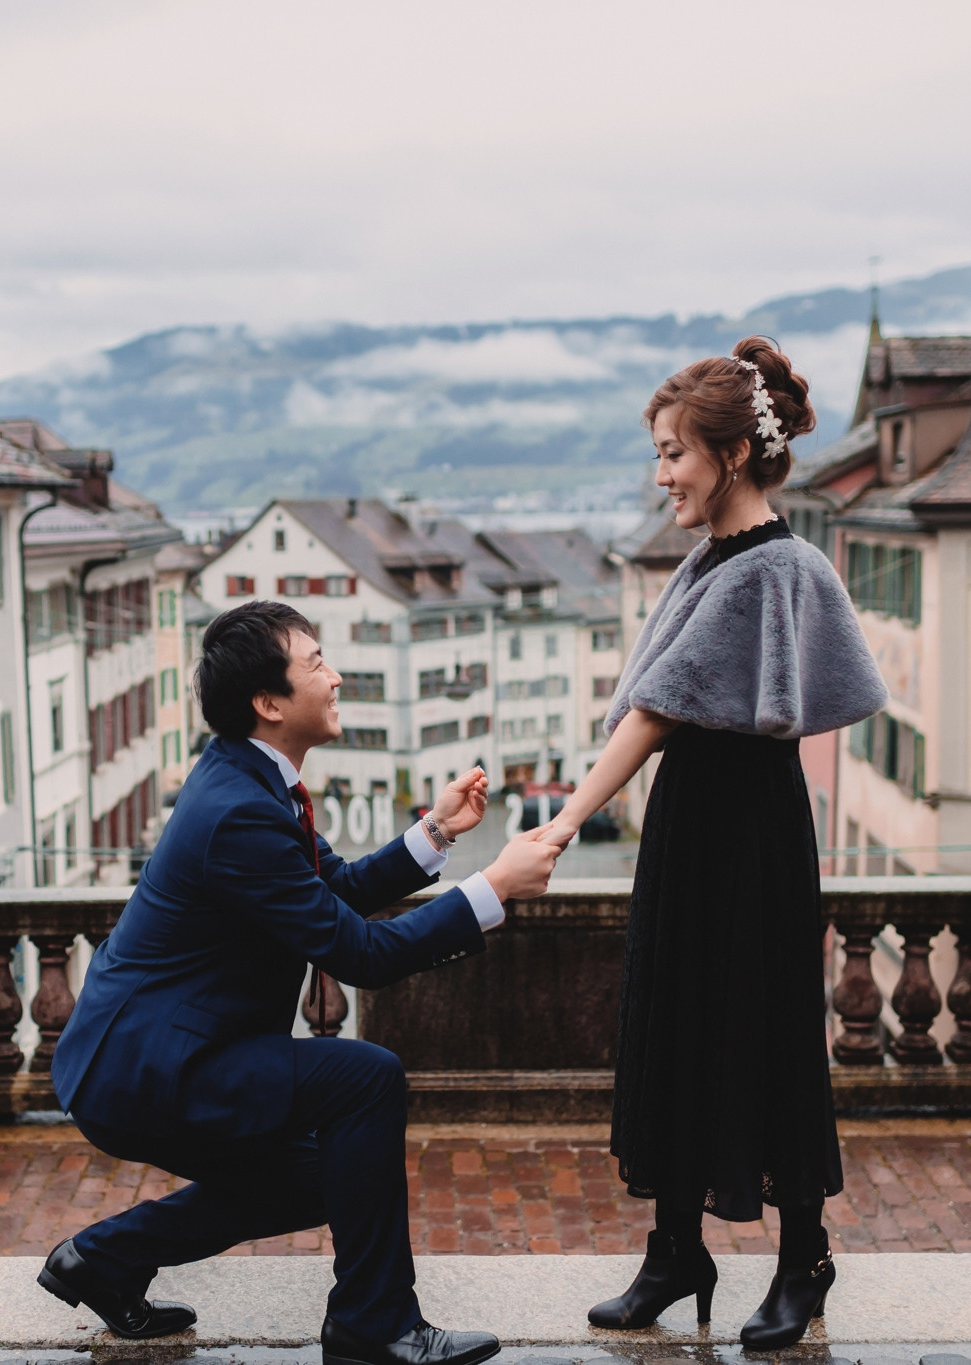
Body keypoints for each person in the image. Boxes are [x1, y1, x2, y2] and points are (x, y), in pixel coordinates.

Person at [47, 599, 562, 1365]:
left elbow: (329, 890)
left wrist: (436, 832)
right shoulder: (239, 809)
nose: (337, 676)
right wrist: (492, 887)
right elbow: (362, 954)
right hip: (148, 1067)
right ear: (269, 701)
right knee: (366, 1078)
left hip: (153, 1054)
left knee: (334, 1175)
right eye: (317, 662)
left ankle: (102, 1258)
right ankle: (373, 1324)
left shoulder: (248, 776)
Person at [534, 337, 886, 1349]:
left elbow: (653, 710)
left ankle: (802, 1261)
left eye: (673, 453)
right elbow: (664, 704)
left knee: (766, 1032)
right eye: (658, 454)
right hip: (694, 823)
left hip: (748, 833)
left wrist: (562, 821)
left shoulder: (769, 567)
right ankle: (675, 1251)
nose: (661, 476)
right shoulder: (713, 560)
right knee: (679, 1023)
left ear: (730, 455)